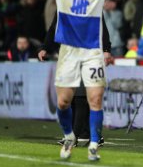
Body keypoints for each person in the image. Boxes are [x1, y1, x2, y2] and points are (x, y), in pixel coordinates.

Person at [36, 0, 137, 161]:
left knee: (94, 98)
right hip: (68, 51)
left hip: (92, 51)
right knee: (63, 102)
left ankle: (93, 143)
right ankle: (69, 135)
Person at [38, 13, 112, 147]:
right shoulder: (64, 2)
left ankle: (74, 136)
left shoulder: (91, 1)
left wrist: (106, 49)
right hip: (68, 54)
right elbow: (54, 26)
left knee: (82, 95)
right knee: (72, 96)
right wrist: (45, 47)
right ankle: (90, 134)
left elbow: (101, 26)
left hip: (89, 53)